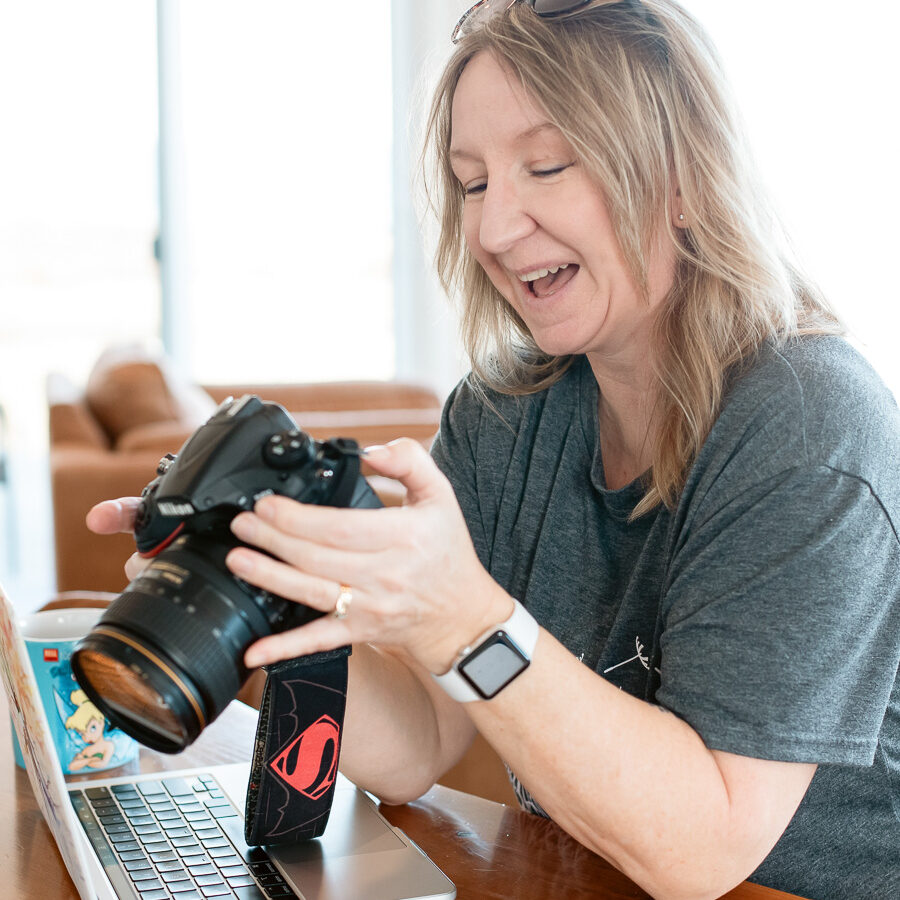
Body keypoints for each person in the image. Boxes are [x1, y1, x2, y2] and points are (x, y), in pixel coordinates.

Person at [87, 2, 900, 897]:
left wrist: (462, 616)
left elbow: (701, 850)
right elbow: (421, 743)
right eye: (472, 183)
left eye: (546, 166)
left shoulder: (809, 425)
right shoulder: (508, 412)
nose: (494, 230)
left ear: (679, 175)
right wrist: (258, 598)